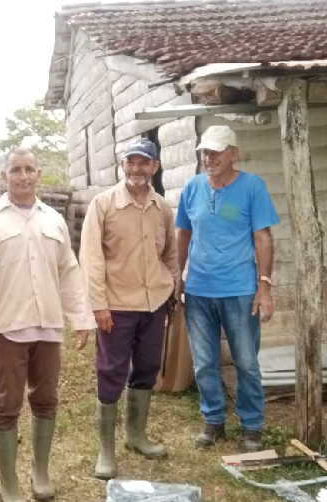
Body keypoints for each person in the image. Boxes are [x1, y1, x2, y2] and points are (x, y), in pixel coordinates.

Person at [0, 147, 95, 502]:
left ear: (39, 174)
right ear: (4, 175)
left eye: (29, 169)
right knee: (6, 404)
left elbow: (68, 270)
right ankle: (9, 484)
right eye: (15, 170)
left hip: (49, 325)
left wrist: (80, 317)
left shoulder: (53, 219)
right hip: (7, 326)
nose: (23, 176)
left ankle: (40, 472)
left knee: (47, 399)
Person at [79, 138, 178, 479]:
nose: (136, 169)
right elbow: (91, 259)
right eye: (131, 162)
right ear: (123, 166)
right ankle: (106, 450)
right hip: (116, 306)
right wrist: (98, 305)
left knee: (148, 368)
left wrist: (171, 291)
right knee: (111, 372)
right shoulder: (103, 204)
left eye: (143, 163)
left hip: (154, 304)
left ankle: (136, 436)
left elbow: (171, 255)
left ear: (155, 167)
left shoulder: (162, 207)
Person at [175, 125, 279, 452]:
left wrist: (264, 287)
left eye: (216, 152)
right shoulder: (192, 188)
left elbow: (262, 237)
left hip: (239, 289)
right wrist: (178, 275)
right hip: (199, 290)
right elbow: (183, 234)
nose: (209, 158)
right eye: (205, 152)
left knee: (246, 361)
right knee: (204, 362)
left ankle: (251, 426)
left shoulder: (252, 187)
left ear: (233, 152)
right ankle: (213, 421)